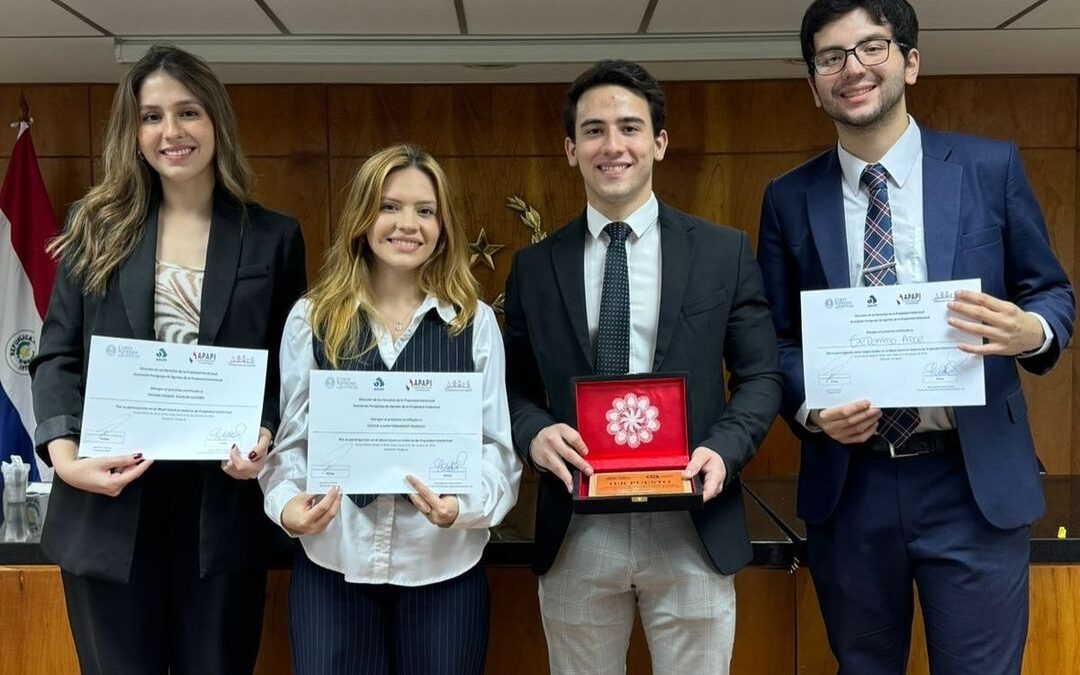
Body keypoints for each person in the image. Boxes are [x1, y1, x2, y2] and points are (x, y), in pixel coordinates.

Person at [756, 1, 1076, 673]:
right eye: (831, 57)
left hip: (972, 478)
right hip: (853, 485)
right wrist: (813, 410)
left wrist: (1029, 329)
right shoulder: (788, 198)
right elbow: (775, 339)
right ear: (813, 83)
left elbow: (1050, 291)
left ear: (910, 60)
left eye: (871, 48)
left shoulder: (990, 168)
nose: (853, 68)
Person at [29, 46, 307, 674]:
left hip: (220, 509)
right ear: (132, 132)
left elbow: (285, 369)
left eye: (188, 112)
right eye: (151, 116)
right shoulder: (93, 227)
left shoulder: (273, 236)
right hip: (106, 505)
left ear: (217, 123)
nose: (171, 132)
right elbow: (58, 357)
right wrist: (66, 460)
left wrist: (263, 433)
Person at [503, 59, 782, 674]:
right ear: (571, 149)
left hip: (692, 517)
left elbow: (761, 374)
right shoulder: (533, 268)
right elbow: (512, 388)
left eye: (630, 127)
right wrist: (533, 432)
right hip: (578, 525)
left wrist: (725, 449)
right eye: (594, 130)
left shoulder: (722, 251)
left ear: (658, 142)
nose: (613, 144)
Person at [259, 143, 521, 675]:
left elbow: (498, 450)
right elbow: (288, 445)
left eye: (425, 211)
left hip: (444, 567)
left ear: (443, 225)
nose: (408, 224)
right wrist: (285, 505)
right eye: (389, 206)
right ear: (362, 217)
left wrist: (463, 508)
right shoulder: (313, 319)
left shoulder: (473, 324)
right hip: (333, 565)